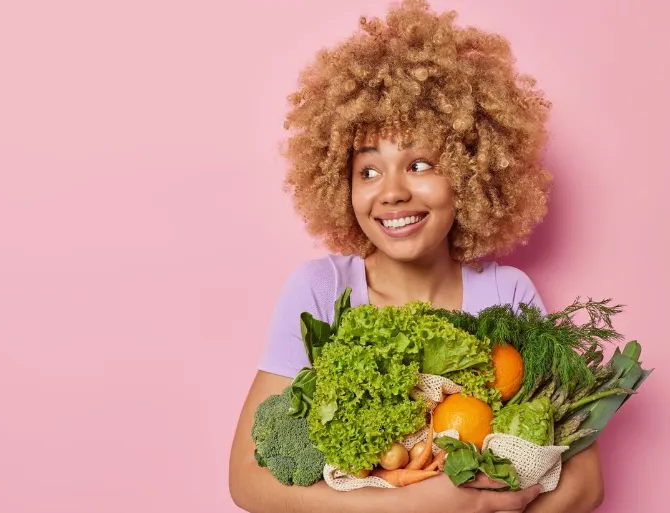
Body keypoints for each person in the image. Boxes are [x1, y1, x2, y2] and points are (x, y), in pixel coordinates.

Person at [228, 1, 605, 511]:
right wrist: (433, 504)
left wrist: (486, 506)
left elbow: (584, 482)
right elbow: (248, 481)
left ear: (471, 172)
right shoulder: (321, 289)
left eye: (420, 163)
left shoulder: (506, 293)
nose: (392, 192)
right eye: (368, 171)